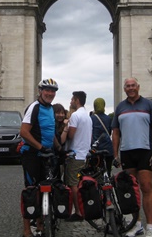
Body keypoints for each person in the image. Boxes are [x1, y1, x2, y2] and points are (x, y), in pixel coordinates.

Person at [112, 77, 152, 237]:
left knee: (146, 187)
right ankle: (137, 224)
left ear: (138, 87)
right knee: (131, 191)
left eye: (133, 85)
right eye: (127, 86)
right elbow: (116, 132)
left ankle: (150, 226)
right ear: (124, 89)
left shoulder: (149, 104)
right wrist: (115, 154)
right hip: (127, 152)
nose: (130, 88)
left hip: (145, 151)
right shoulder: (120, 107)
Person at [19, 78, 63, 237]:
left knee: (47, 187)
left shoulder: (51, 109)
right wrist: (40, 147)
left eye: (53, 91)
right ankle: (26, 229)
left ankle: (40, 224)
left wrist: (59, 148)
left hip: (47, 155)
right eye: (47, 90)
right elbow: (23, 132)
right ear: (40, 91)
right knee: (30, 191)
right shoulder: (34, 108)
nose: (50, 93)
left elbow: (50, 133)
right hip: (32, 154)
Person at [62, 91, 93, 222]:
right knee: (79, 182)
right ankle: (83, 208)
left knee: (73, 184)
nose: (70, 102)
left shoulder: (75, 115)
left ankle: (78, 212)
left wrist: (66, 126)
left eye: (72, 99)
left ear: (77, 100)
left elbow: (70, 136)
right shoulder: (88, 116)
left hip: (75, 155)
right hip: (85, 154)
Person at [90, 97, 114, 175]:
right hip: (108, 147)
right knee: (108, 169)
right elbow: (109, 132)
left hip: (96, 148)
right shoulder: (108, 118)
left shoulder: (92, 118)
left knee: (96, 171)